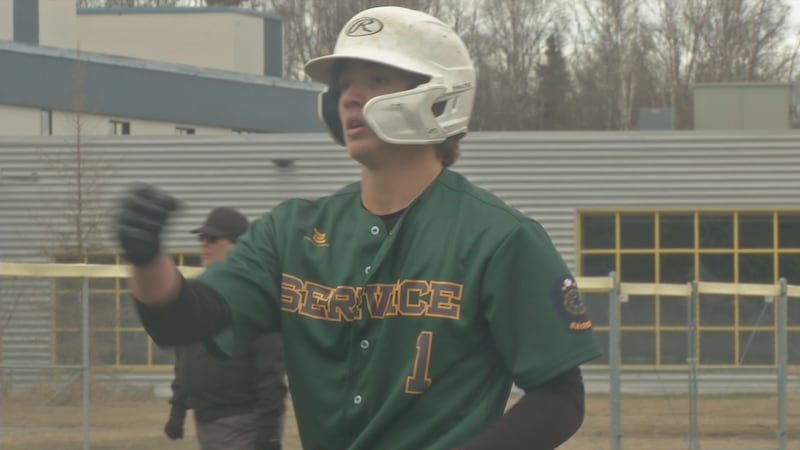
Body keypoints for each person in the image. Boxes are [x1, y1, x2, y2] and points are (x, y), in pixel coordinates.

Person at [115, 6, 602, 450]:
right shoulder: (292, 232)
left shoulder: (499, 237)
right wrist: (146, 259)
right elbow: (185, 319)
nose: (349, 97)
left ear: (437, 95)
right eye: (344, 83)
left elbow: (560, 397)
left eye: (375, 77)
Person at [162, 207, 287, 450]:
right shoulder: (200, 293)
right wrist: (178, 409)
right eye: (202, 239)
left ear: (238, 245)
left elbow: (271, 368)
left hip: (243, 419)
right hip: (209, 420)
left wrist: (269, 430)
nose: (204, 245)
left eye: (213, 239)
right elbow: (185, 356)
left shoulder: (253, 294)